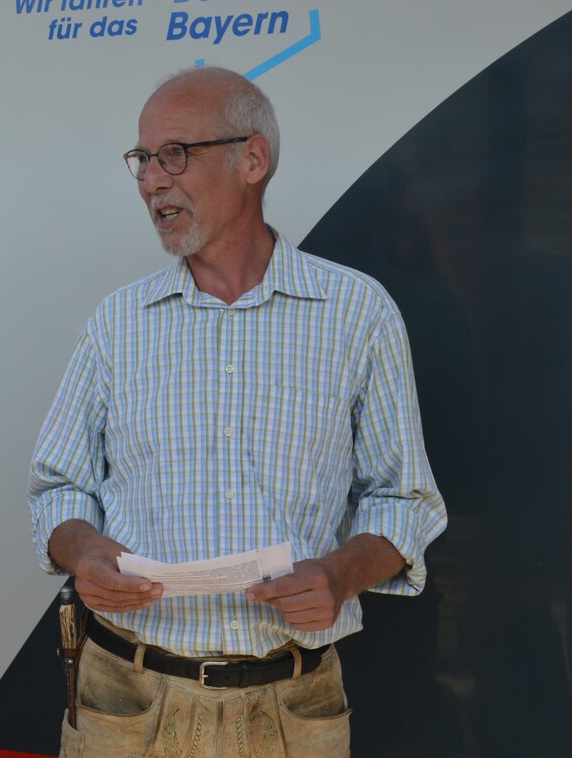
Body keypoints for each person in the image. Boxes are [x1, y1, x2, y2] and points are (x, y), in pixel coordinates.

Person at [28, 66, 447, 757]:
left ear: (253, 159)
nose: (151, 180)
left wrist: (340, 575)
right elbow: (58, 486)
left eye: (175, 154)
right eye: (142, 160)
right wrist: (84, 549)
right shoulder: (117, 323)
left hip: (289, 708)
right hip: (127, 704)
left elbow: (403, 498)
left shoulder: (357, 314)